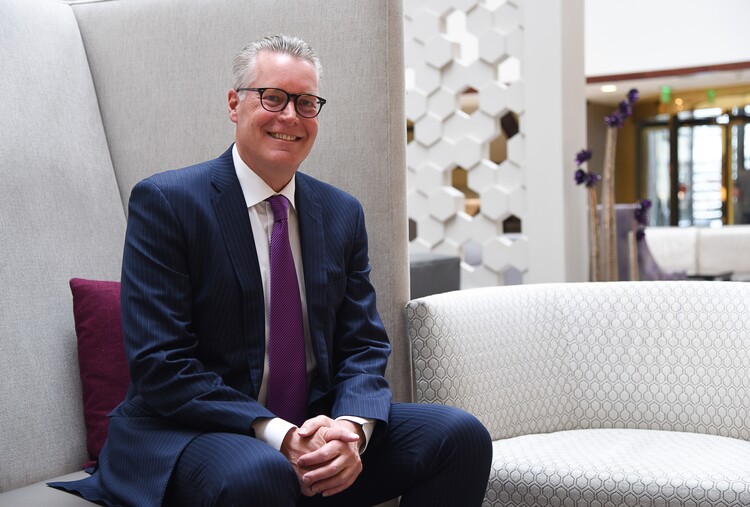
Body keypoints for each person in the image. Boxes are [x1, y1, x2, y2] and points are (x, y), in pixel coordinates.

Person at [50, 34, 492, 506]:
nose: (290, 116)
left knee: (459, 435)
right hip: (189, 429)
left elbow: (363, 345)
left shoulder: (341, 213)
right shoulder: (168, 203)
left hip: (310, 423)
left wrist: (350, 431)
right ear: (234, 104)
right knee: (260, 474)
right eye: (273, 97)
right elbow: (161, 363)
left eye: (306, 102)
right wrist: (280, 436)